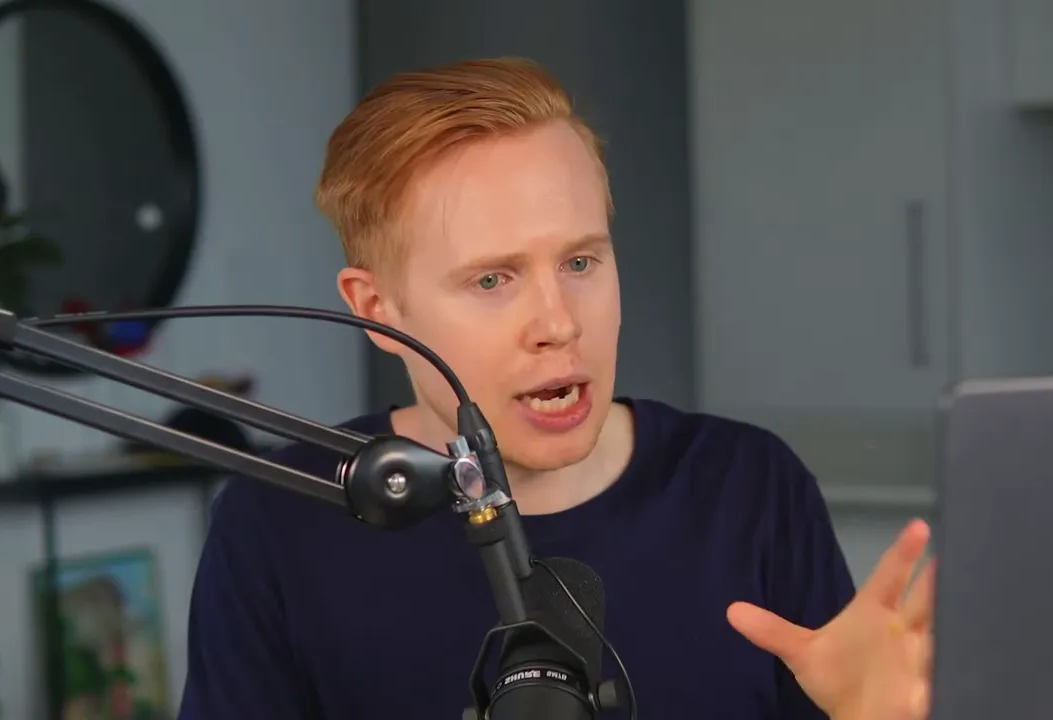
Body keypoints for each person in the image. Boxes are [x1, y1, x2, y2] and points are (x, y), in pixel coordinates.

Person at [178, 57, 934, 720]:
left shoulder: (749, 487)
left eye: (580, 262)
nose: (557, 323)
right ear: (376, 309)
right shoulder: (277, 525)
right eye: (491, 279)